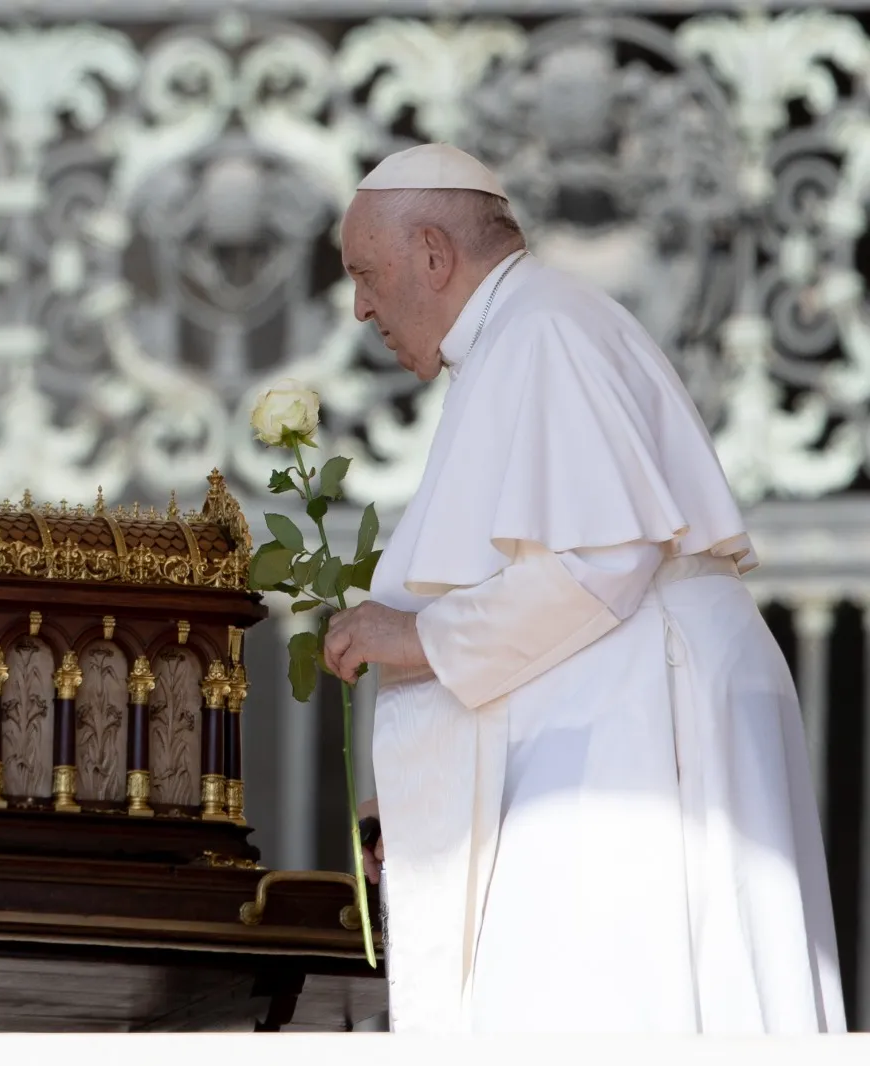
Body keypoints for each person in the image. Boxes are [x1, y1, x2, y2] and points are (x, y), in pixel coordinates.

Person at [320, 143, 844, 1034]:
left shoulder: (543, 329)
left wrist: (407, 639)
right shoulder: (521, 333)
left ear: (435, 255)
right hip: (628, 702)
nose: (362, 305)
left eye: (367, 275)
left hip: (644, 720)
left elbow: (596, 566)